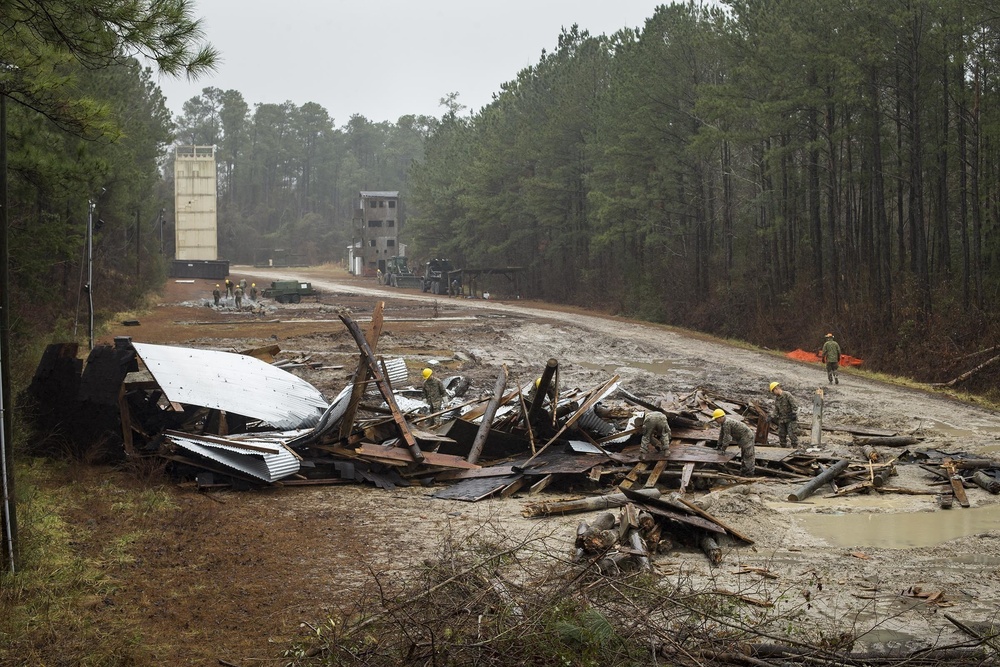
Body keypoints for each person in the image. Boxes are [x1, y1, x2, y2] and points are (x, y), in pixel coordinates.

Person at [709, 408, 755, 477]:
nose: (716, 421)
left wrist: (723, 449)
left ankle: (749, 474)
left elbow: (727, 438)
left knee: (748, 456)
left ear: (721, 417)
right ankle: (744, 472)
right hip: (743, 438)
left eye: (716, 419)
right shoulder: (723, 423)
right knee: (744, 455)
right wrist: (718, 445)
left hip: (747, 437)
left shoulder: (727, 423)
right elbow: (722, 434)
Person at [768, 382, 798, 448]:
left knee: (792, 434)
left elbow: (794, 405)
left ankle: (795, 448)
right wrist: (771, 417)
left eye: (773, 391)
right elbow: (776, 410)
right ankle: (783, 448)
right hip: (782, 420)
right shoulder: (777, 399)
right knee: (781, 435)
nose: (773, 393)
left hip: (790, 419)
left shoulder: (787, 395)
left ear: (776, 388)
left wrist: (794, 413)